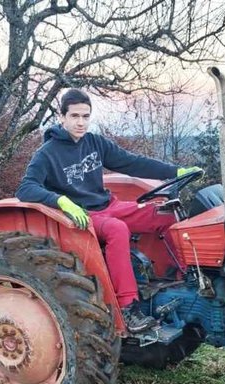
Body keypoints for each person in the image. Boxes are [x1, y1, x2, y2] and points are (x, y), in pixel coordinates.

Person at [17, 88, 201, 334]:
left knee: (165, 215)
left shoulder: (94, 142)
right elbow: (26, 188)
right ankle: (128, 307)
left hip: (110, 206)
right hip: (85, 215)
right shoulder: (47, 153)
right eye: (74, 116)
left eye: (85, 116)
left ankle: (183, 279)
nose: (81, 122)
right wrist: (62, 201)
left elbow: (132, 162)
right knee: (117, 229)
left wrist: (175, 172)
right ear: (62, 118)